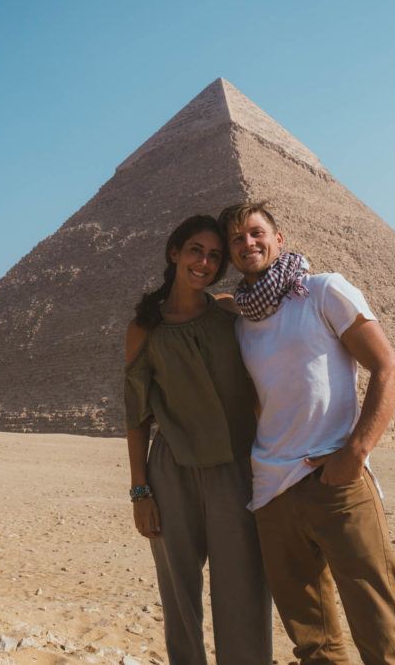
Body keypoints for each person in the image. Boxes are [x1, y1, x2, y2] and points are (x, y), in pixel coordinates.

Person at [218, 201, 395, 665]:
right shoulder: (242, 322)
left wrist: (356, 451)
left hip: (337, 483)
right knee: (315, 644)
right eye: (236, 239)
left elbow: (389, 369)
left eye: (255, 233)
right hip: (272, 492)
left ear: (278, 238)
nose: (247, 243)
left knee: (382, 632)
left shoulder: (324, 290)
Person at [123, 214, 272, 665]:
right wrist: (139, 491)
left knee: (244, 594)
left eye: (213, 256)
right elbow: (136, 417)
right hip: (171, 474)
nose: (204, 263)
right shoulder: (144, 329)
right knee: (179, 601)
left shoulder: (229, 313)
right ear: (175, 253)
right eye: (195, 251)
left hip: (234, 471)